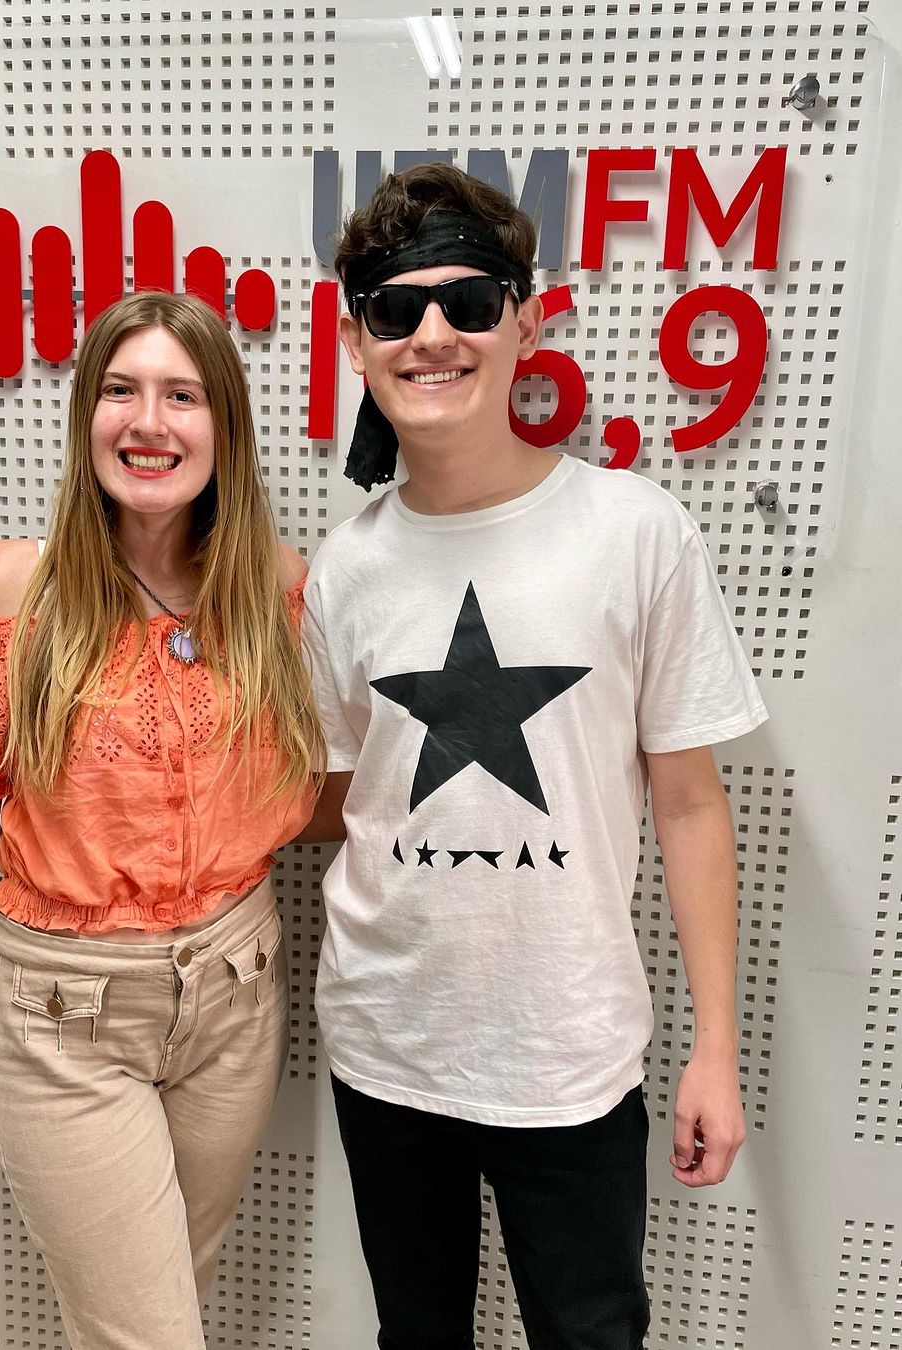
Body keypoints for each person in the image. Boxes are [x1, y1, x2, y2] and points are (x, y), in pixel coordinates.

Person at [298, 163, 768, 1350]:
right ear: (357, 342)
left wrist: (717, 1049)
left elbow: (691, 806)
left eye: (468, 301)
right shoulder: (344, 570)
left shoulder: (636, 532)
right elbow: (343, 800)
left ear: (528, 320)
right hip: (387, 1043)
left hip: (570, 1051)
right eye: (395, 310)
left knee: (592, 1332)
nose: (433, 336)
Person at [0, 290, 323, 1350]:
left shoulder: (275, 592)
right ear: (85, 417)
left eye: (182, 396)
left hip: (236, 995)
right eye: (120, 391)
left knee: (164, 1303)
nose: (149, 422)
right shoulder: (17, 590)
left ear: (223, 426)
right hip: (67, 1015)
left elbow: (307, 786)